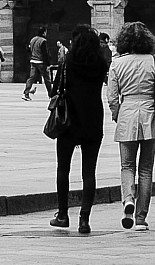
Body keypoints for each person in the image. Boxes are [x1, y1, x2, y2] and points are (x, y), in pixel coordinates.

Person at [103, 21, 155, 232]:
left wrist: (116, 114)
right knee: (147, 168)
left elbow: (112, 97)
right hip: (151, 113)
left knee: (127, 165)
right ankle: (141, 217)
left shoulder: (117, 63)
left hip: (127, 113)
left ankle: (127, 200)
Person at [46, 26, 109, 234]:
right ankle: (84, 219)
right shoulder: (100, 63)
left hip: (68, 121)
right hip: (93, 119)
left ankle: (63, 215)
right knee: (89, 172)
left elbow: (55, 91)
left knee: (63, 169)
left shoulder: (67, 63)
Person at [22, 27, 50, 99]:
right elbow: (45, 53)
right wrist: (48, 64)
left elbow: (28, 49)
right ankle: (51, 94)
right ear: (44, 32)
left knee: (31, 78)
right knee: (47, 79)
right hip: (40, 62)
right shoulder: (43, 41)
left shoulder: (32, 39)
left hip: (33, 61)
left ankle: (26, 93)